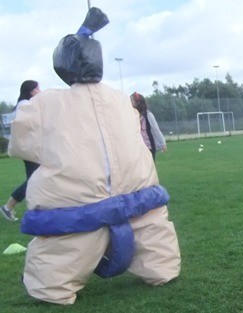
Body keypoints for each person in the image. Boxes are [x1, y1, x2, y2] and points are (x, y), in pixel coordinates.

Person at [8, 7, 180, 305]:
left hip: (77, 202)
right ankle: (161, 267)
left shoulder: (47, 104)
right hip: (138, 193)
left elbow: (22, 142)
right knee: (153, 236)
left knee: (59, 261)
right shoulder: (119, 99)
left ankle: (54, 289)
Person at [1, 80, 41, 221]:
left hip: (30, 148)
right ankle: (8, 206)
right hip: (30, 149)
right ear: (30, 91)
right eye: (37, 89)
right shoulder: (25, 105)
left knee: (36, 179)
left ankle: (13, 207)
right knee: (34, 180)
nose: (40, 91)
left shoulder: (22, 104)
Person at [130, 92, 167, 160]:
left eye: (131, 100)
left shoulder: (148, 115)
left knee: (149, 169)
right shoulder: (132, 116)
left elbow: (156, 129)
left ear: (137, 102)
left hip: (149, 148)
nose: (129, 102)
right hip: (137, 149)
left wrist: (162, 143)